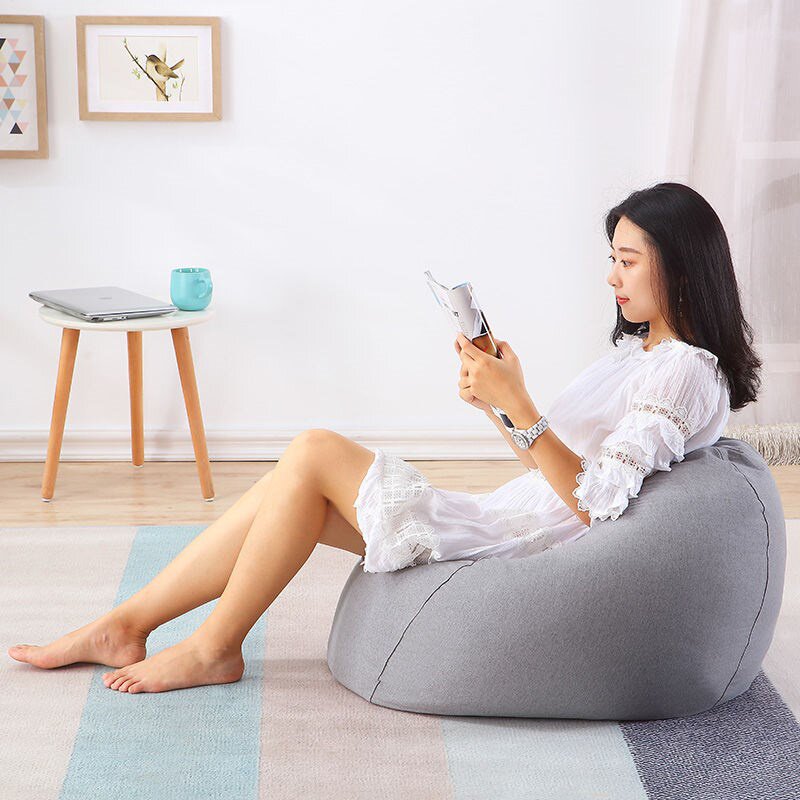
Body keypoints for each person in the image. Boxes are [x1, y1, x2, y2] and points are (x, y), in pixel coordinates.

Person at [7, 181, 761, 694]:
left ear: (680, 269)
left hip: (529, 549)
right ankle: (126, 626)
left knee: (312, 450)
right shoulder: (643, 356)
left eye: (627, 262)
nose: (612, 279)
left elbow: (596, 507)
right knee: (292, 487)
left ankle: (211, 647)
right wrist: (497, 402)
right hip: (516, 514)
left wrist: (520, 403)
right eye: (611, 260)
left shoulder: (686, 370)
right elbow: (553, 469)